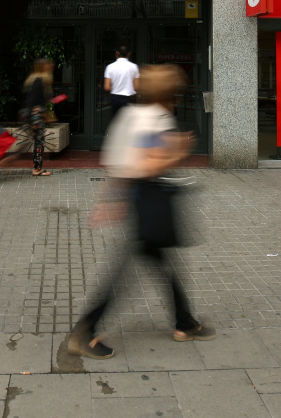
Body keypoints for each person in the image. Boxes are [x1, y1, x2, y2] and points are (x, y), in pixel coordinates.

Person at [69, 64, 214, 360]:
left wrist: (108, 200)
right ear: (169, 95)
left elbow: (117, 160)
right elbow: (146, 164)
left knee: (161, 262)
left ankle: (185, 322)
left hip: (139, 198)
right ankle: (85, 330)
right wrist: (179, 150)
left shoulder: (130, 115)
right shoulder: (158, 119)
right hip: (152, 200)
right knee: (127, 270)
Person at [23, 57, 54, 177]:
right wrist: (33, 116)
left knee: (38, 142)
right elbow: (33, 100)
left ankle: (37, 168)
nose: (51, 66)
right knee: (39, 142)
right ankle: (37, 169)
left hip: (34, 115)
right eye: (48, 64)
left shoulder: (35, 80)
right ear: (43, 67)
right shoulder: (39, 80)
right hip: (36, 116)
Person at [103, 45, 139, 122]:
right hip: (129, 99)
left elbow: (107, 87)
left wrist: (116, 87)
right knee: (129, 123)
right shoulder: (134, 67)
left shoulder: (110, 67)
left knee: (116, 123)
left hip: (115, 99)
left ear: (117, 53)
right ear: (129, 54)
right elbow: (136, 87)